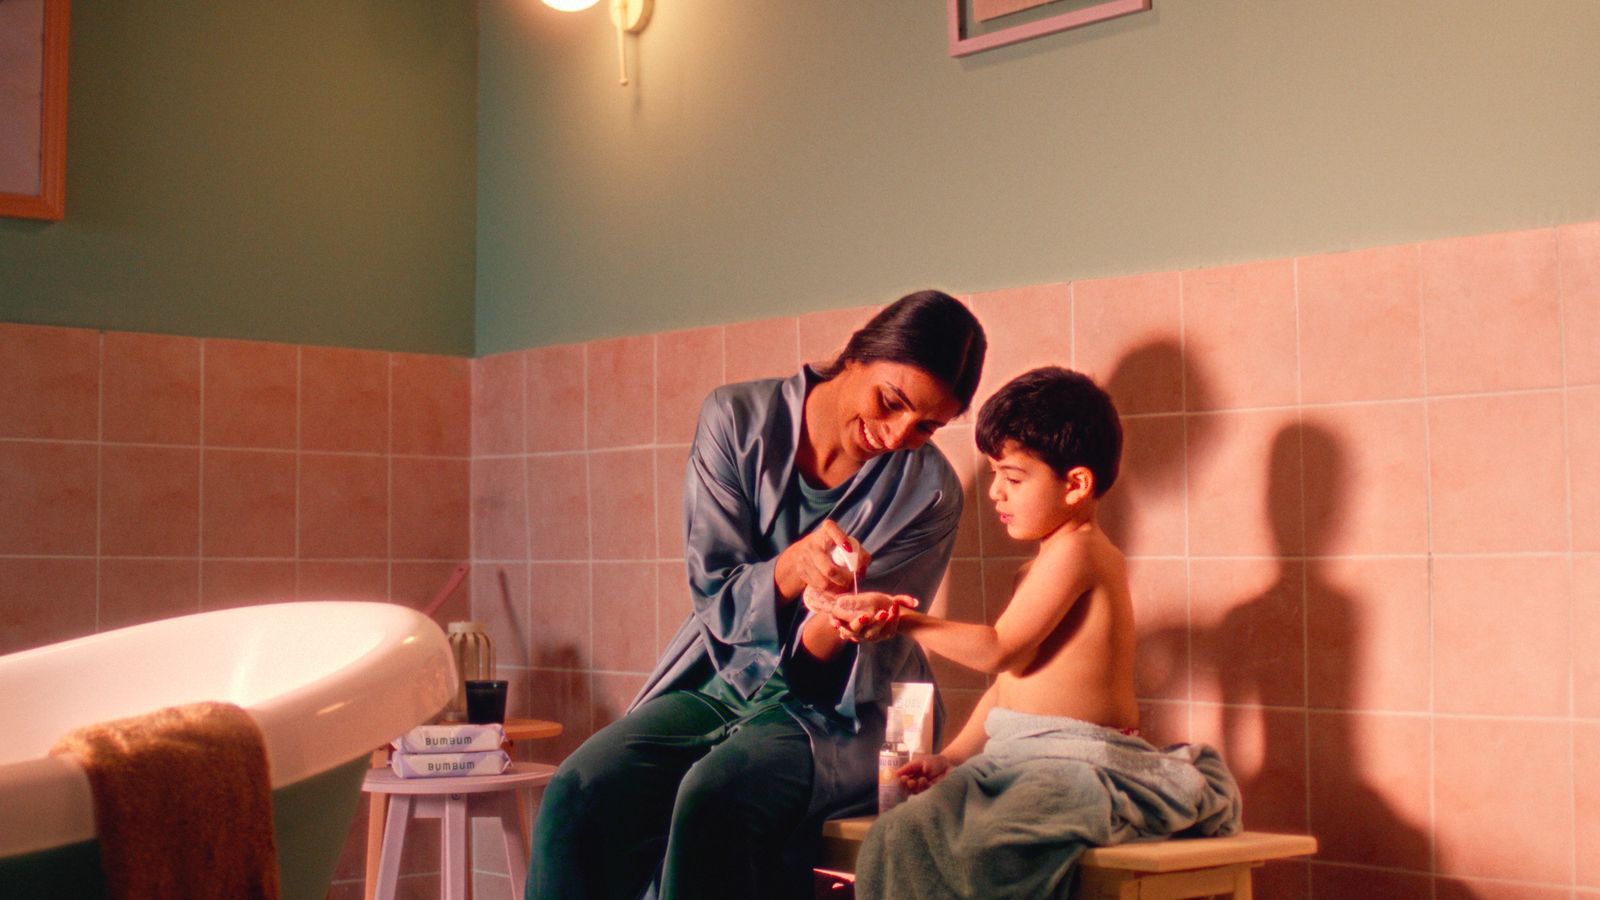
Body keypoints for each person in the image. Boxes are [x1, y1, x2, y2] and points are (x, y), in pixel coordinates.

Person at [526, 290, 987, 900]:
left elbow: (862, 651)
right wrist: (792, 569)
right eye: (892, 401)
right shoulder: (735, 419)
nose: (902, 433)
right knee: (584, 786)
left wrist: (842, 619)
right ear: (857, 355)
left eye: (928, 425)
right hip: (721, 676)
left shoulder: (930, 492)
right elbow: (714, 593)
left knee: (718, 793)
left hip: (845, 707)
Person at [834, 367, 1242, 900]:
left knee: (992, 849)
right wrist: (953, 757)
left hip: (1079, 762)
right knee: (899, 832)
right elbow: (1009, 683)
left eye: (1014, 477)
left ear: (1075, 484)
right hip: (1017, 760)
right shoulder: (1042, 565)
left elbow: (1000, 648)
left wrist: (902, 619)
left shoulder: (1082, 553)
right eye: (994, 474)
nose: (996, 493)